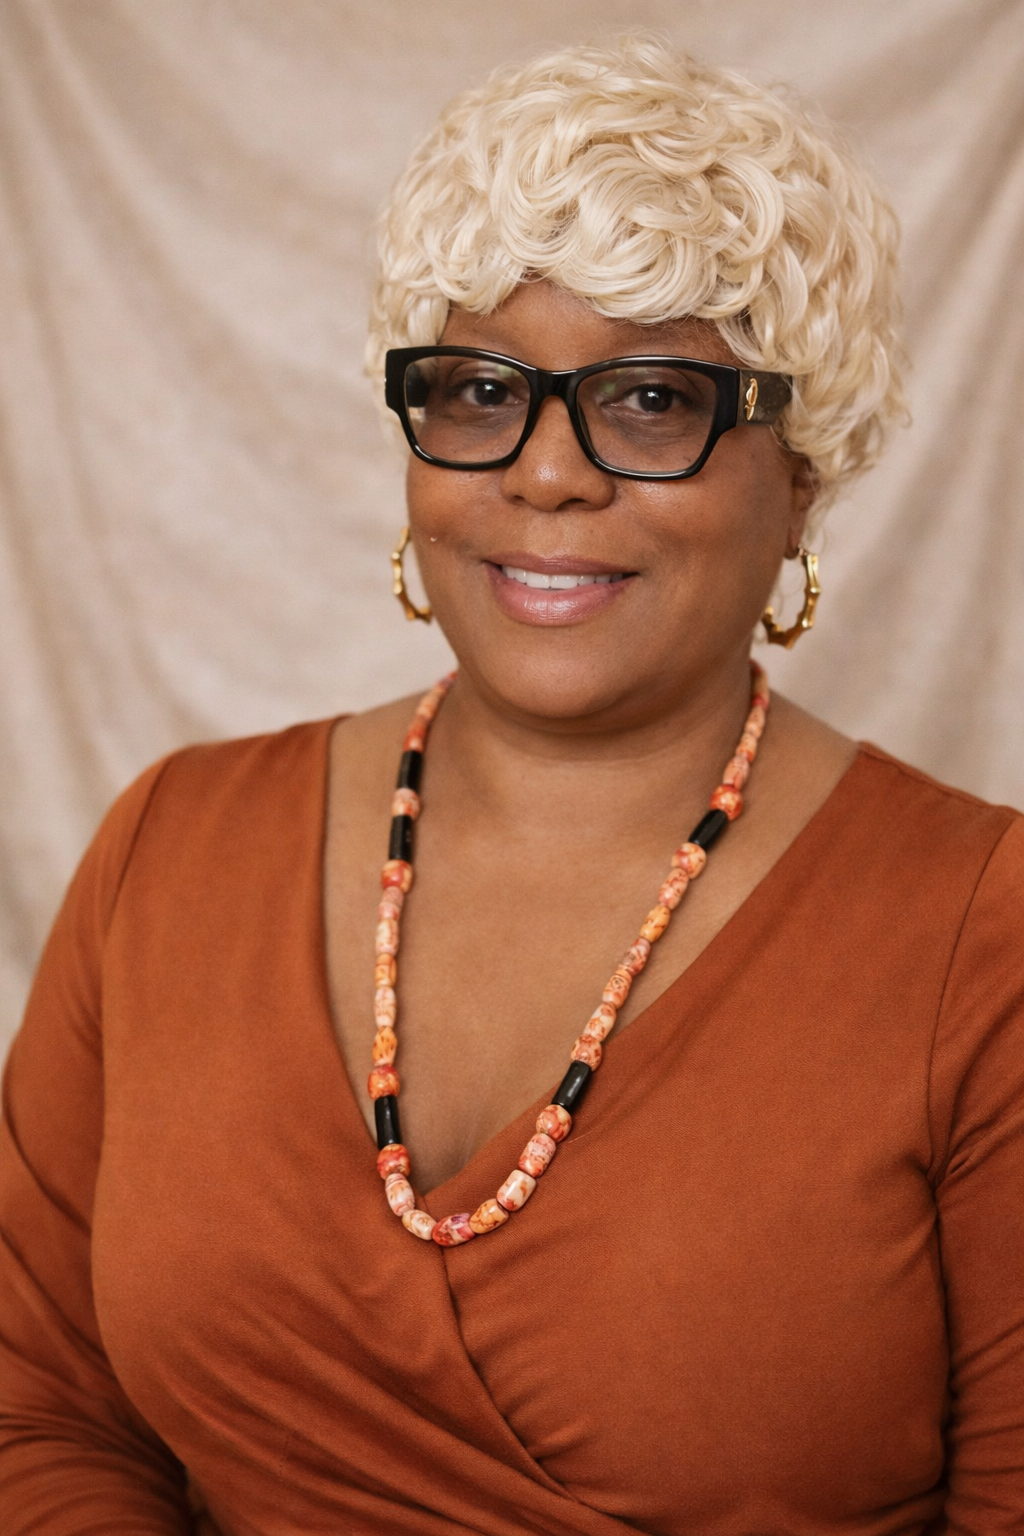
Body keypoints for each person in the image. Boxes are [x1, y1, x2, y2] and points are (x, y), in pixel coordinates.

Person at [1, 34, 1021, 1536]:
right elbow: (41, 1408)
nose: (546, 474)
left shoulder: (983, 934)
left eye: (652, 398)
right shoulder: (173, 848)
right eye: (482, 390)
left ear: (800, 473)